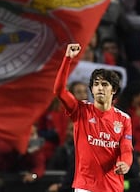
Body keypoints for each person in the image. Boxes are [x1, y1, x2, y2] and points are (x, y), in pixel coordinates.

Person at [53, 43, 133, 192]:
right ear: (92, 89)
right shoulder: (81, 110)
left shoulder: (124, 119)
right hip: (85, 187)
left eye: (104, 84)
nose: (100, 88)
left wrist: (126, 163)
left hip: (113, 187)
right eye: (96, 84)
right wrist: (67, 59)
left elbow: (126, 149)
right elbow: (59, 90)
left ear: (114, 90)